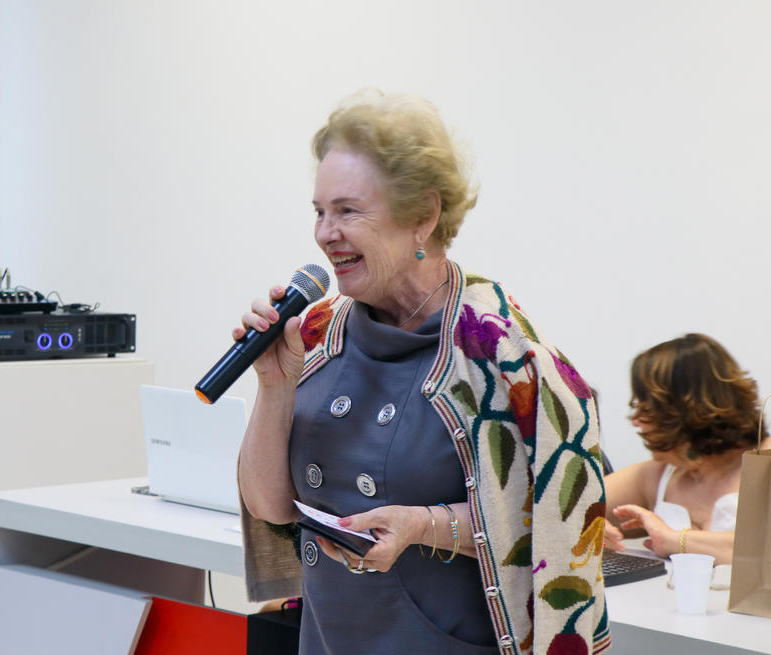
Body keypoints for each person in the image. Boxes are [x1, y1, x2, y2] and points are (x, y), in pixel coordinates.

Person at [236, 91, 608, 655]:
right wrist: (273, 384)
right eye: (319, 211)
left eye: (348, 210)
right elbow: (270, 507)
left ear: (423, 217)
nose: (324, 233)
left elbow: (567, 516)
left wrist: (424, 526)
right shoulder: (316, 333)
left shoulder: (501, 350)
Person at [603, 333, 771, 565]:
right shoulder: (656, 474)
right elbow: (559, 505)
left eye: (646, 406)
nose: (635, 421)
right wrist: (585, 524)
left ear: (682, 409)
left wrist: (673, 541)